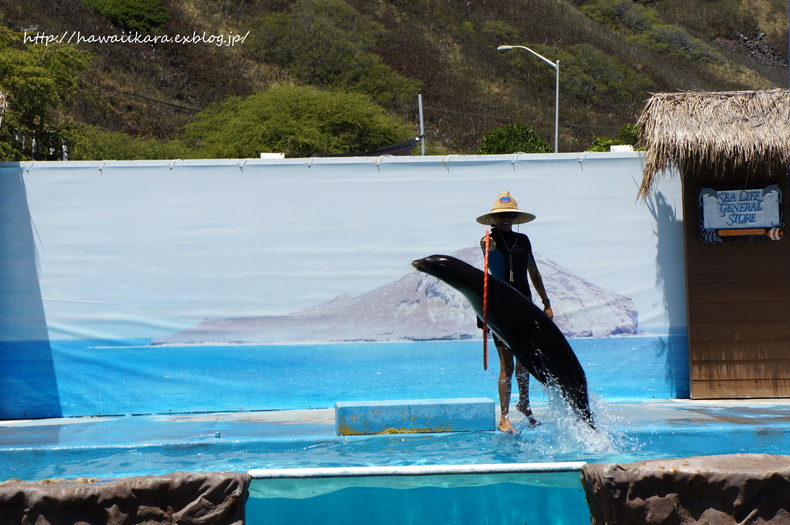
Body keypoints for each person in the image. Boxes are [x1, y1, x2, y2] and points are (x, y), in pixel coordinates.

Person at [476, 191, 554, 433]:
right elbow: (486, 249)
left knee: (526, 362)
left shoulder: (524, 241)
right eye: (501, 216)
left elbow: (534, 272)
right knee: (506, 366)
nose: (506, 218)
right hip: (501, 309)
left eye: (510, 214)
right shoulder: (490, 238)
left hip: (525, 307)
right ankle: (505, 417)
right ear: (493, 219)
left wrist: (546, 301)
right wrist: (486, 245)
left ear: (515, 217)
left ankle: (525, 405)